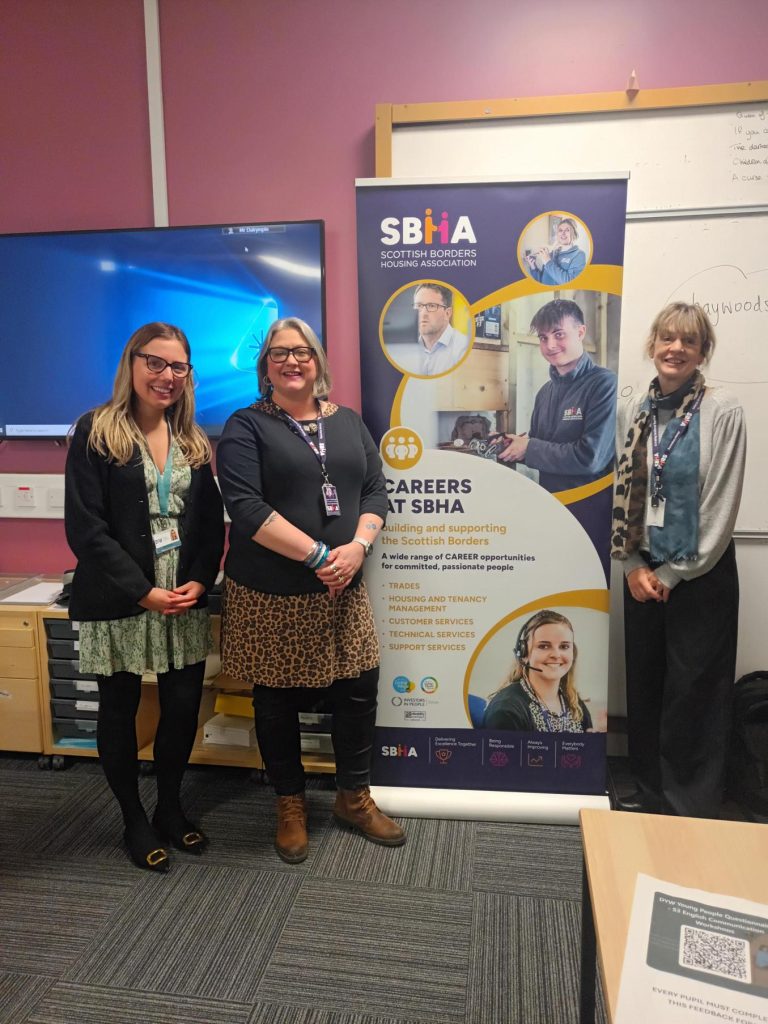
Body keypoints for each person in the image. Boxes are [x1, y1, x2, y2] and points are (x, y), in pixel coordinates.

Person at [216, 316, 405, 863]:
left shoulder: (347, 421)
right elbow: (247, 508)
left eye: (301, 352)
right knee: (276, 703)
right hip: (273, 592)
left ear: (317, 361)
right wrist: (321, 555)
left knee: (356, 694)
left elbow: (374, 490)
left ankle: (353, 798)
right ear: (265, 366)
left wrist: (357, 549)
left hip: (344, 589)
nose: (291, 361)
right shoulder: (245, 426)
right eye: (279, 353)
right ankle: (290, 805)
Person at [64, 323, 224, 872]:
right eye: (155, 363)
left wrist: (201, 580)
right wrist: (142, 591)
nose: (167, 376)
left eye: (178, 366)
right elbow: (86, 529)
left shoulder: (195, 441)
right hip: (121, 594)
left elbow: (208, 525)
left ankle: (171, 808)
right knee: (120, 709)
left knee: (181, 709)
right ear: (131, 363)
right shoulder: (96, 431)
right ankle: (133, 818)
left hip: (181, 593)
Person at [612, 302, 746, 818]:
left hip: (700, 573)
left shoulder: (723, 409)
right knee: (646, 683)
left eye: (689, 341)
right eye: (668, 338)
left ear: (702, 352)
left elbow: (720, 503)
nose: (676, 349)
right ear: (653, 345)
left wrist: (674, 573)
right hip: (642, 568)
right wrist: (632, 566)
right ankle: (649, 791)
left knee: (694, 690)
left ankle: (689, 804)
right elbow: (625, 492)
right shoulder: (637, 410)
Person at [496, 299, 617, 493]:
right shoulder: (544, 393)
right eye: (543, 338)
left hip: (590, 505)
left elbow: (590, 458)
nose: (550, 345)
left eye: (559, 334)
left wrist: (529, 448)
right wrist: (512, 446)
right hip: (552, 504)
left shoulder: (604, 384)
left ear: (580, 332)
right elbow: (540, 449)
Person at [482, 610, 595, 732]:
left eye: (564, 646)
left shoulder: (575, 704)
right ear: (524, 653)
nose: (556, 655)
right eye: (544, 646)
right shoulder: (506, 710)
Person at [400, 283, 469, 376]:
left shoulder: (463, 349)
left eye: (431, 306)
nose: (423, 313)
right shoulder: (404, 350)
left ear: (448, 313)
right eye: (419, 306)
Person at [525, 217, 587, 285]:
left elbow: (569, 282)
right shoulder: (552, 254)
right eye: (560, 230)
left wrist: (548, 261)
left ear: (574, 234)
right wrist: (533, 266)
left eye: (567, 230)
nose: (563, 233)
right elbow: (541, 280)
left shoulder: (579, 255)